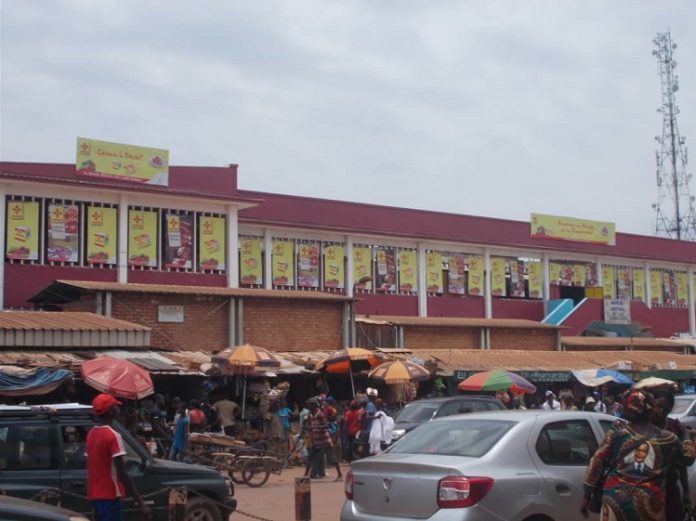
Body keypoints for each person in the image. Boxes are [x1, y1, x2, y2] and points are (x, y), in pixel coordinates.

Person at [580, 388, 696, 520]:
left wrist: (586, 496)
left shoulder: (616, 433)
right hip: (648, 504)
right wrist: (686, 435)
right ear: (650, 408)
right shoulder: (668, 438)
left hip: (614, 501)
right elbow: (688, 458)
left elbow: (596, 462)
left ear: (625, 410)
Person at [86, 394, 149, 521]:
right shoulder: (113, 435)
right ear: (111, 412)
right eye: (116, 407)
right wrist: (140, 503)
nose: (119, 409)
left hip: (95, 495)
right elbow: (122, 473)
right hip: (110, 495)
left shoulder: (91, 434)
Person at [650, 384, 691, 521]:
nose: (657, 410)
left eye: (662, 407)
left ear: (668, 409)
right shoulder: (642, 426)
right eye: (655, 405)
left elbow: (683, 462)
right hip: (647, 488)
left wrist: (686, 491)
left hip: (670, 487)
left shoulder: (675, 427)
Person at [303, 397, 342, 481]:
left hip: (324, 440)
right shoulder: (310, 415)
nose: (308, 406)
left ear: (314, 405)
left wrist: (315, 428)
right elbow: (310, 427)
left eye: (310, 405)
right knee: (310, 457)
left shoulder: (320, 414)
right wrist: (306, 428)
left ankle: (340, 474)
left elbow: (326, 425)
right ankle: (305, 475)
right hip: (316, 440)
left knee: (332, 458)